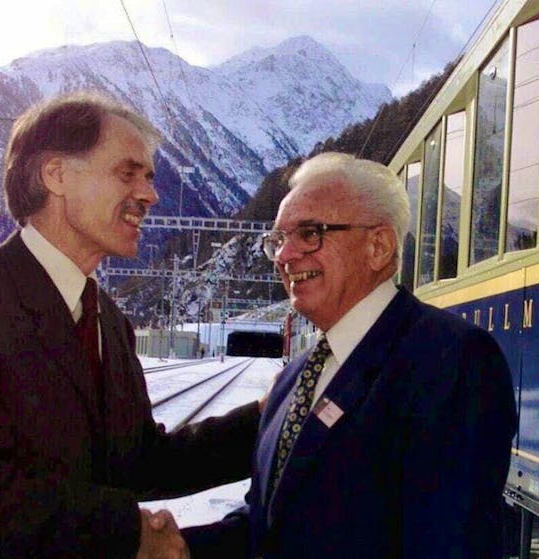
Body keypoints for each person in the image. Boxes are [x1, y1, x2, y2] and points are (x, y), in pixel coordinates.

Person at [0, 92, 261, 559]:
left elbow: (141, 462)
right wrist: (130, 534)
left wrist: (267, 416)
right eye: (127, 173)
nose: (149, 195)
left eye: (149, 178)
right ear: (57, 175)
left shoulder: (109, 320)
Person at [183, 152, 517, 558]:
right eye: (279, 240)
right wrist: (169, 548)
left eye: (309, 234)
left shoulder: (453, 362)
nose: (286, 256)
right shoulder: (295, 377)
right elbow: (267, 527)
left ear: (378, 246)